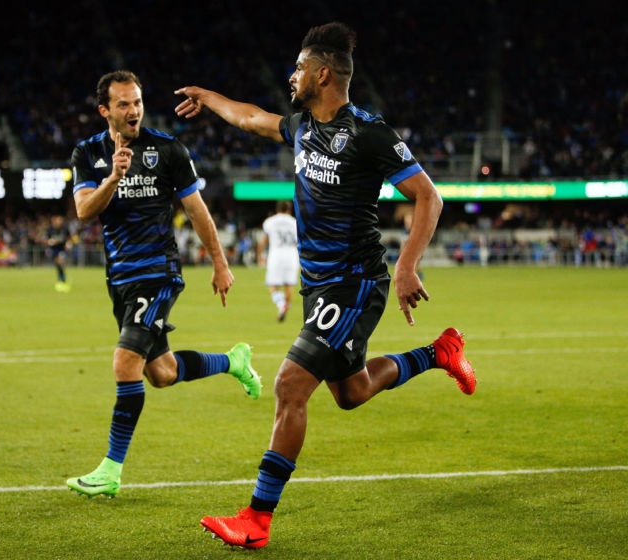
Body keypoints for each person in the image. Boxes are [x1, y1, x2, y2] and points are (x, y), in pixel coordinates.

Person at [175, 22, 476, 548]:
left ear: (321, 73)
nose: (290, 77)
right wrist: (208, 97)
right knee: (352, 392)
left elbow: (429, 197)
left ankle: (257, 520)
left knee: (290, 385)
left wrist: (407, 267)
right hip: (320, 286)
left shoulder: (370, 133)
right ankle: (440, 353)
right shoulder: (301, 128)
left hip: (355, 282)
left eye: (297, 68)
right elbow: (249, 117)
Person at [66, 70, 263, 498]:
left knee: (124, 363)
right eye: (122, 104)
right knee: (162, 373)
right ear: (105, 111)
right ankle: (234, 362)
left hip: (157, 274)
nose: (133, 110)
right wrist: (113, 179)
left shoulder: (168, 150)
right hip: (119, 278)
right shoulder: (88, 153)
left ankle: (110, 470)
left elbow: (196, 210)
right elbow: (84, 210)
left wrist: (219, 261)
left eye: (136, 101)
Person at [257, 200, 299, 321]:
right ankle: (286, 305)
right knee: (289, 286)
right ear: (289, 210)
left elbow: (264, 240)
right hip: (291, 256)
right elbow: (299, 243)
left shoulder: (270, 222)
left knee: (273, 285)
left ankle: (281, 305)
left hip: (276, 256)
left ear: (277, 209)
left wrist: (259, 254)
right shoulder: (295, 222)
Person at [45, 215, 72, 292]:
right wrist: (50, 241)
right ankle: (61, 278)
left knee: (60, 261)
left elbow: (69, 238)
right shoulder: (50, 229)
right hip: (54, 249)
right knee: (57, 264)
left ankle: (63, 279)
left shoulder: (65, 229)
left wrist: (69, 243)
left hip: (62, 249)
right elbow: (46, 239)